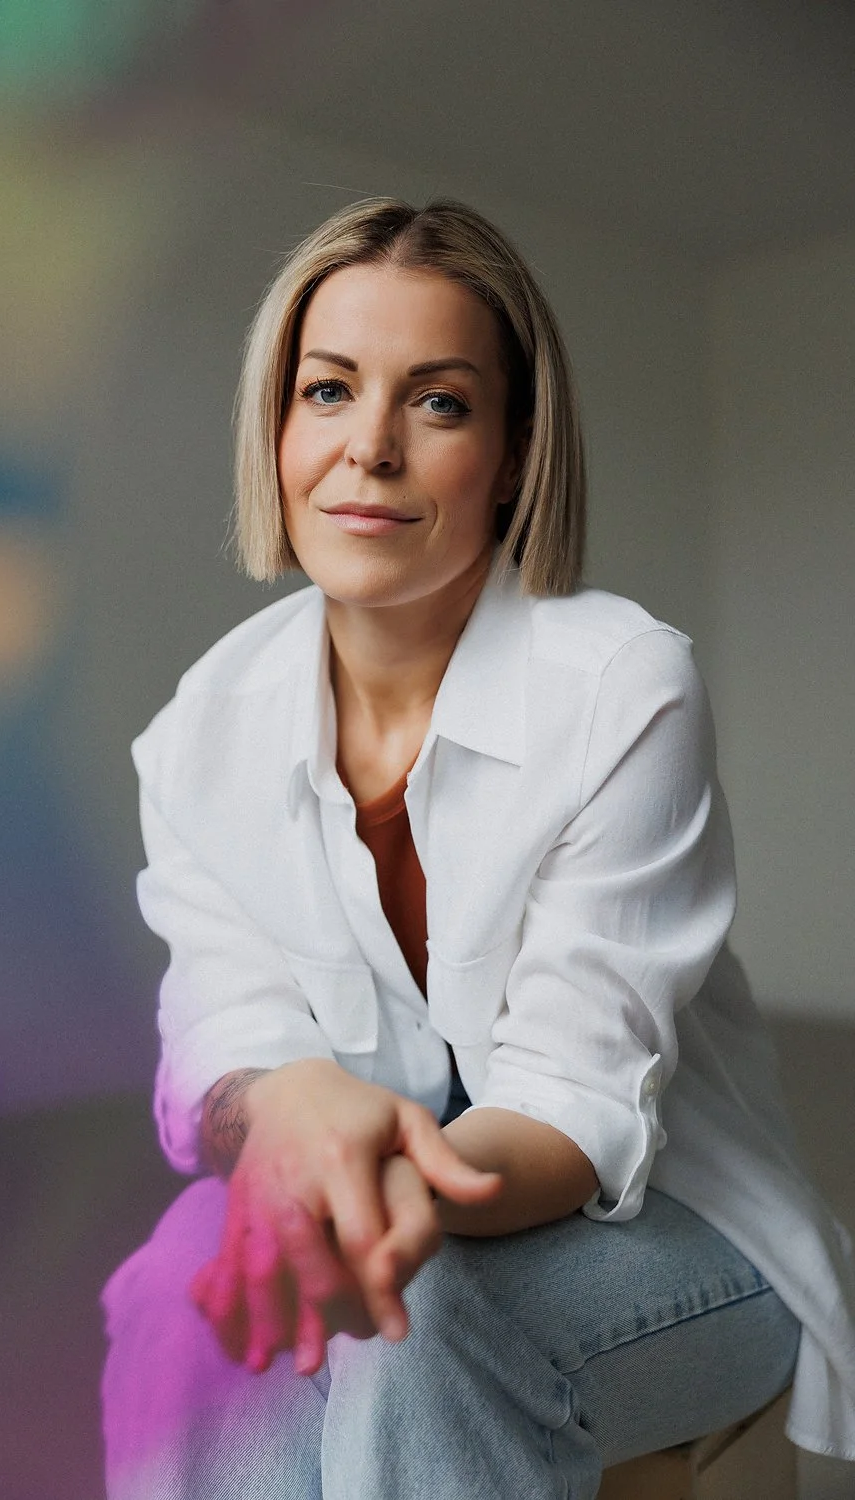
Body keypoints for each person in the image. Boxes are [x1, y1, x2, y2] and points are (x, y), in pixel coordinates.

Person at [101, 198, 855, 1499]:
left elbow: (570, 1110)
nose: (370, 447)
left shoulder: (622, 688)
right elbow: (224, 1045)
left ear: (511, 458)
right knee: (180, 1292)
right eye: (328, 390)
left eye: (439, 403)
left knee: (420, 1318)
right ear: (278, 428)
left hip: (678, 1233)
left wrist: (377, 1190)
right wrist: (282, 1110)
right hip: (385, 1215)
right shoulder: (198, 734)